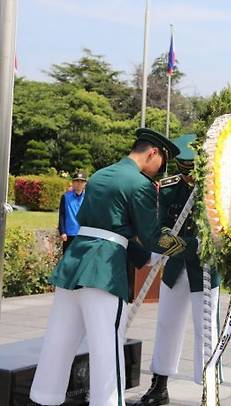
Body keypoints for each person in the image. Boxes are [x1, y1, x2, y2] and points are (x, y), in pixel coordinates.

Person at [29, 128, 197, 406]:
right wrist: (192, 246)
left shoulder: (99, 175)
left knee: (58, 342)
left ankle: (43, 399)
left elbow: (94, 221)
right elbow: (152, 235)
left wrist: (138, 253)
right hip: (103, 272)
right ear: (153, 153)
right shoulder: (138, 184)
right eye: (162, 164)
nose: (159, 170)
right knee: (107, 347)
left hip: (73, 266)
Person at [132, 134, 220, 406]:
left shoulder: (215, 190)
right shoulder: (169, 188)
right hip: (174, 267)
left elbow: (222, 232)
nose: (188, 177)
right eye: (183, 171)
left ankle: (210, 390)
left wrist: (195, 244)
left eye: (191, 171)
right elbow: (158, 229)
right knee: (167, 324)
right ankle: (159, 385)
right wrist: (165, 248)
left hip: (204, 269)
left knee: (206, 330)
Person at [58, 171, 86, 252]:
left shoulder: (88, 197)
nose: (79, 183)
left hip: (83, 234)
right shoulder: (65, 197)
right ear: (73, 183)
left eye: (82, 181)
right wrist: (62, 231)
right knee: (67, 261)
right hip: (69, 234)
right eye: (77, 181)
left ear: (85, 184)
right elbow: (62, 215)